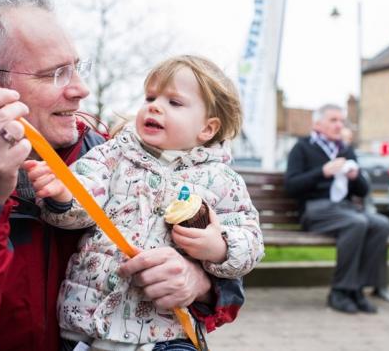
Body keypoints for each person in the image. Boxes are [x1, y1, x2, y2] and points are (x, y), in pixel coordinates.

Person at [0, 0, 245, 351]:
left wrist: (200, 283)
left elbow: (226, 260)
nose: (80, 88)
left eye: (77, 67)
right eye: (55, 73)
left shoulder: (109, 157)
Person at [25, 55, 264, 350]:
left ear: (207, 129)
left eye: (174, 102)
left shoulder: (222, 180)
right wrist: (63, 196)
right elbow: (84, 196)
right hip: (86, 322)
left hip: (165, 331)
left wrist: (220, 247)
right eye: (150, 96)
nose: (154, 106)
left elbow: (251, 240)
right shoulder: (113, 155)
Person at [284, 104, 389, 314]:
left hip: (344, 208)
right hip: (315, 210)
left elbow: (363, 190)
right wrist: (322, 172)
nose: (339, 125)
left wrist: (356, 177)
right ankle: (340, 291)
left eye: (341, 121)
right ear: (318, 124)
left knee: (381, 224)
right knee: (356, 223)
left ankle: (358, 289)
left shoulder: (345, 150)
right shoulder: (303, 147)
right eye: (333, 120)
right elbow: (292, 186)